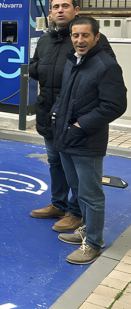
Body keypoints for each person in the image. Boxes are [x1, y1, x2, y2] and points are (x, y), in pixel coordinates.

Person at [29, 0, 116, 234]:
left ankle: (75, 212)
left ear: (75, 10)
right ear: (50, 13)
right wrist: (42, 67)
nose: (60, 11)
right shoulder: (45, 39)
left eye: (65, 6)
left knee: (77, 171)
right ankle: (58, 204)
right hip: (50, 113)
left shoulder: (90, 39)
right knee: (55, 162)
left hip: (76, 116)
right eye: (55, 7)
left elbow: (105, 72)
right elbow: (35, 67)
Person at [51, 17, 126, 265]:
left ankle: (94, 243)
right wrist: (57, 114)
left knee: (91, 194)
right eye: (75, 35)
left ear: (96, 37)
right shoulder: (74, 60)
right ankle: (87, 229)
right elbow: (68, 95)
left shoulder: (106, 65)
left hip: (87, 141)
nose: (79, 40)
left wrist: (80, 126)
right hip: (66, 138)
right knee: (78, 189)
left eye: (85, 35)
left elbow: (114, 105)